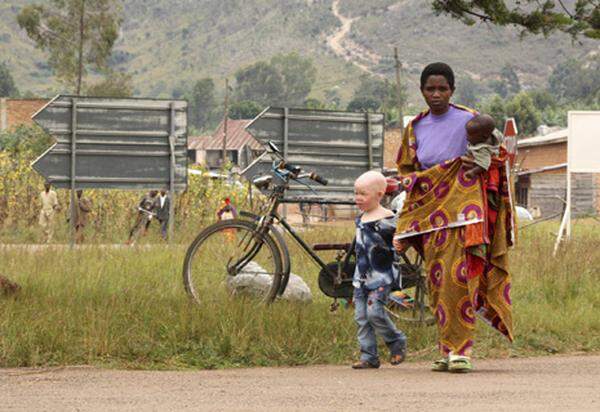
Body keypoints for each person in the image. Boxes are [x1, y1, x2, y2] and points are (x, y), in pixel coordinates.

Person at [394, 62, 514, 373]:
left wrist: (481, 166)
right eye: (430, 89)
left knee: (459, 276)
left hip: (465, 211)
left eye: (442, 88)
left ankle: (462, 350)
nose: (436, 94)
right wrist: (416, 181)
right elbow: (406, 169)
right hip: (430, 213)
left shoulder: (471, 120)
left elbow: (497, 153)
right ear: (421, 91)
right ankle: (447, 347)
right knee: (436, 279)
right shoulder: (414, 127)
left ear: (452, 90)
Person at [351, 171, 407, 370]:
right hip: (361, 277)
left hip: (381, 276)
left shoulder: (388, 219)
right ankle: (369, 355)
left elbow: (400, 239)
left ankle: (396, 341)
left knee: (374, 312)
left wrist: (399, 242)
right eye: (356, 193)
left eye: (363, 194)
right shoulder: (361, 218)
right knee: (361, 317)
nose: (358, 198)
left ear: (379, 195)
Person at [463, 114, 500, 179]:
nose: (467, 137)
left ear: (484, 136)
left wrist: (473, 172)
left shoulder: (482, 150)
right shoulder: (493, 134)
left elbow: (483, 165)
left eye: (470, 135)